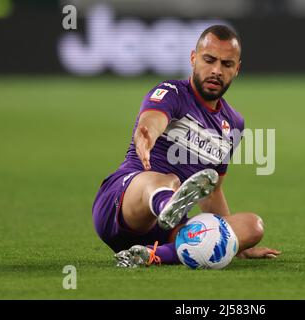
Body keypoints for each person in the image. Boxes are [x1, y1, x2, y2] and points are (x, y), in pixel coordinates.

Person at [92, 25, 281, 267]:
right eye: (209, 60)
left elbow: (212, 189)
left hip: (164, 231)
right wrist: (146, 134)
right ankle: (166, 205)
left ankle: (151, 254)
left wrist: (230, 241)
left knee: (252, 226)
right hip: (121, 204)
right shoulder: (172, 93)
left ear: (237, 69)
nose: (216, 71)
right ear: (193, 58)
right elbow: (153, 119)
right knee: (165, 179)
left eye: (226, 64)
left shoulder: (234, 122)